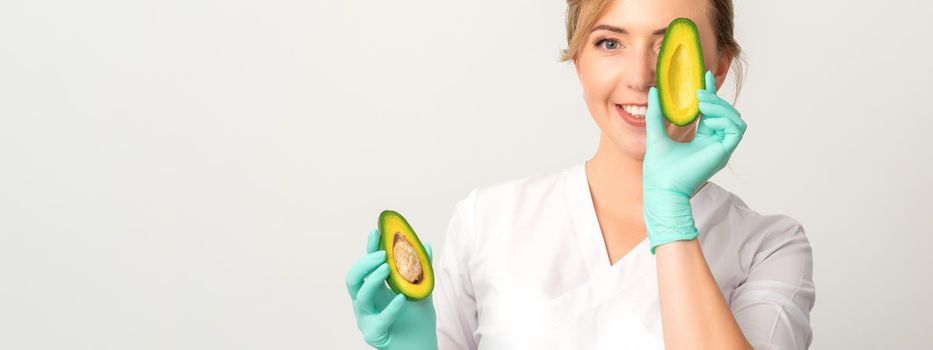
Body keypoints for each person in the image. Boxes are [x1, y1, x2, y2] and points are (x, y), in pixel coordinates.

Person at [345, 0, 816, 348]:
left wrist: (671, 215)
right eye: (609, 42)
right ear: (578, 62)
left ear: (718, 66)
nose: (640, 76)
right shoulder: (485, 219)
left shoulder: (768, 247)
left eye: (670, 44)